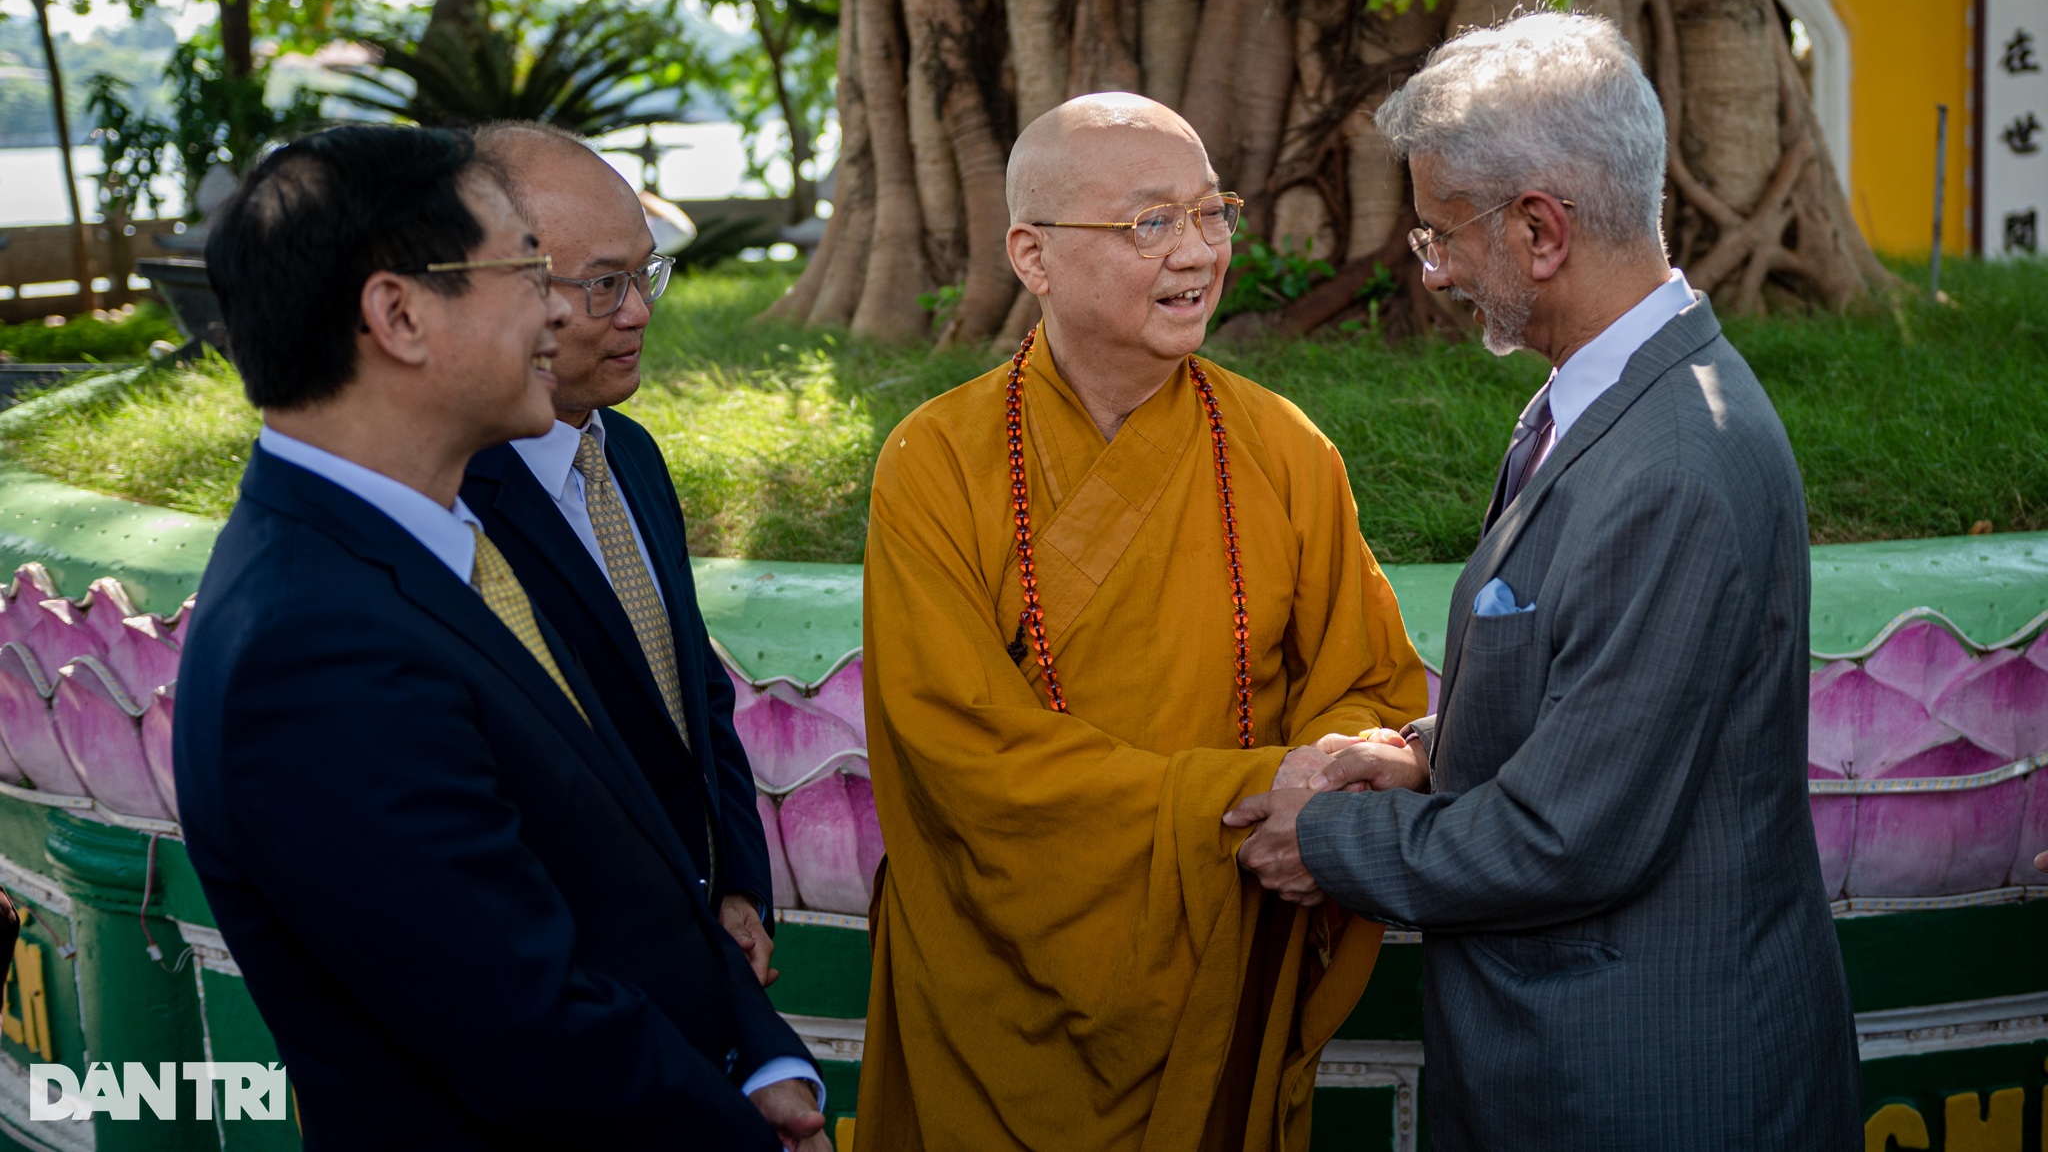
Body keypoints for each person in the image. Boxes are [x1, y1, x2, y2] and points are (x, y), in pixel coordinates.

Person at [1225, 13, 1862, 1149]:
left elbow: (1567, 836)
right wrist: (1420, 752)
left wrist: (1317, 843)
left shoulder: (1670, 462)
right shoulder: (1608, 394)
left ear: (1538, 229)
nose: (1433, 275)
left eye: (1436, 237)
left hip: (1644, 1079)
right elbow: (1592, 688)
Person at [173, 125, 828, 1151]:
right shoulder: (313, 646)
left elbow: (625, 831)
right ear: (397, 313)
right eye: (526, 271)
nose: (556, 308)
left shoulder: (428, 545)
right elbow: (522, 1024)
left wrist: (757, 1050)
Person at [855, 93, 1428, 1151]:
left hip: (1222, 958)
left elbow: (1369, 684)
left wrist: (1322, 776)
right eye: (1150, 223)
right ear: (1032, 255)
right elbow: (954, 747)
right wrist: (1246, 787)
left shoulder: (1282, 447)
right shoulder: (932, 464)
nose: (1199, 253)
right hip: (997, 982)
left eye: (1212, 214)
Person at [461, 124, 779, 986]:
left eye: (645, 274)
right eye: (604, 285)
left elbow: (694, 695)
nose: (638, 310)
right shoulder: (447, 503)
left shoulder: (628, 452)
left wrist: (741, 890)